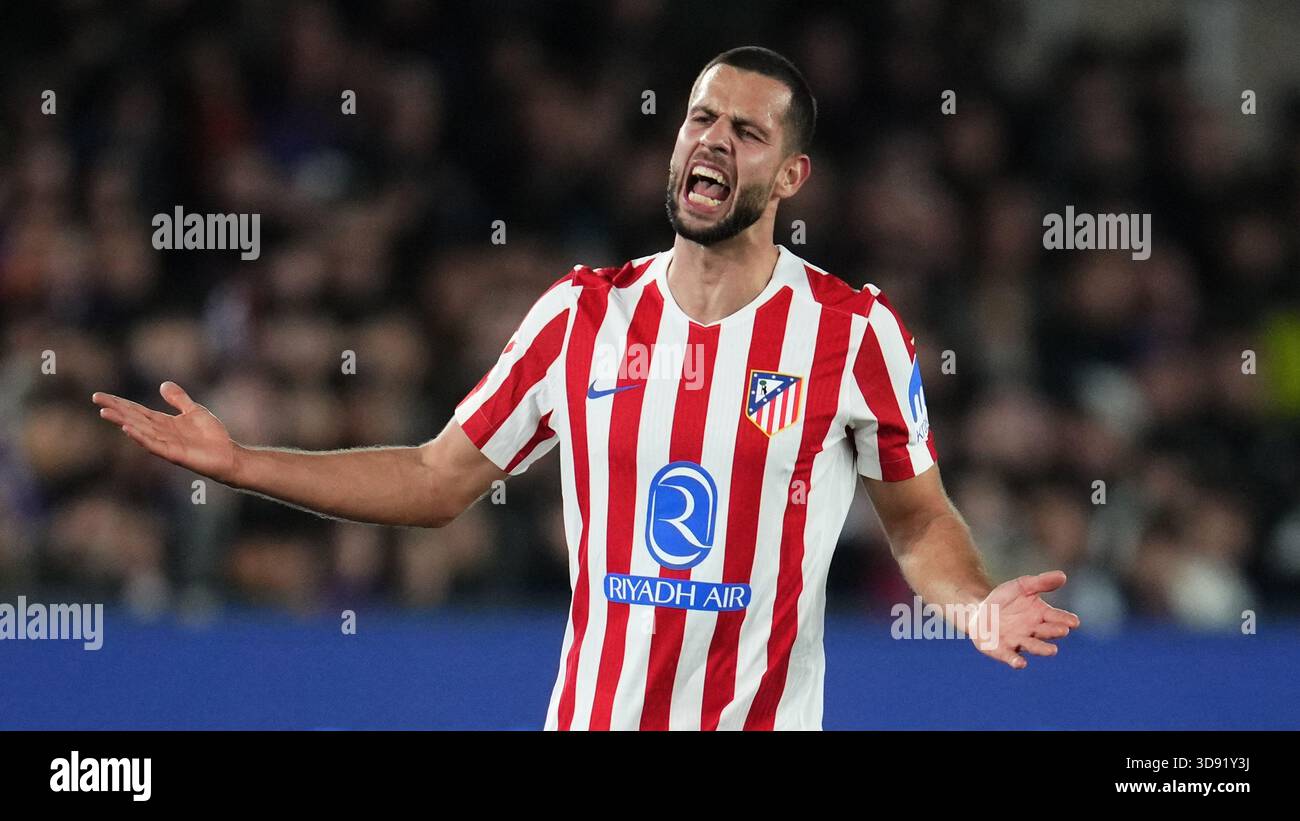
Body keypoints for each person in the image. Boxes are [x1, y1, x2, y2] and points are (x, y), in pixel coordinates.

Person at [92, 46, 1080, 730]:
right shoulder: (581, 314)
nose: (711, 141)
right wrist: (242, 462)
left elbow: (915, 518)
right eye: (700, 117)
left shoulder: (851, 332)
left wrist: (974, 604)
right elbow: (439, 478)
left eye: (745, 131)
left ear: (789, 177)